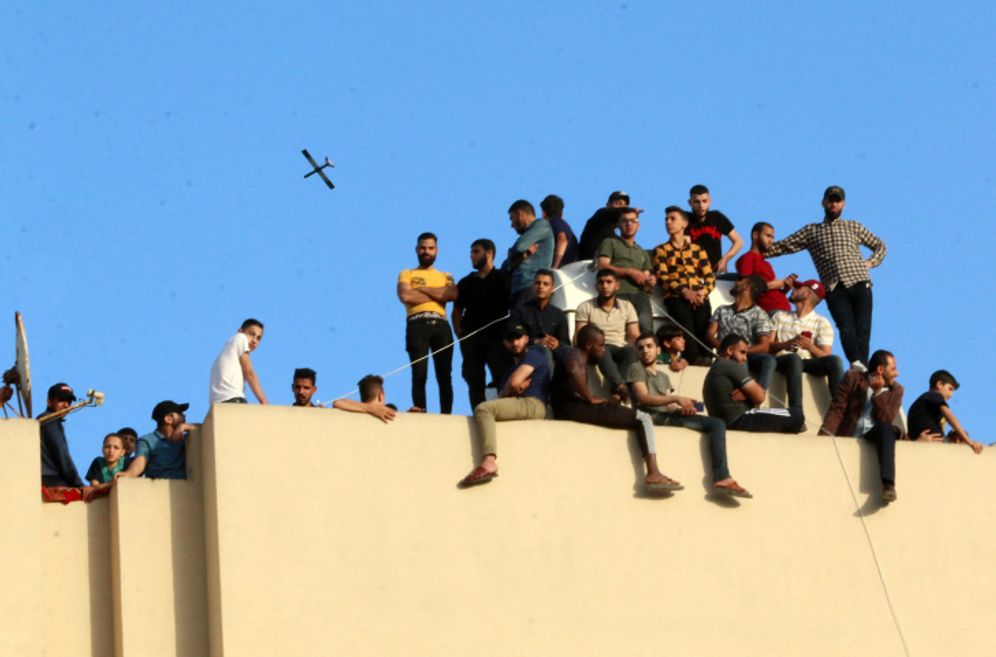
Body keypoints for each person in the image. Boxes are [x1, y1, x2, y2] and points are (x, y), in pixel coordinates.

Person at [765, 186, 887, 367]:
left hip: (859, 281)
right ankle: (856, 362)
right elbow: (784, 245)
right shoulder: (812, 231)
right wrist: (759, 252)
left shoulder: (852, 226)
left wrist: (870, 262)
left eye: (837, 200)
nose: (834, 203)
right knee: (846, 328)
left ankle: (861, 367)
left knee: (863, 330)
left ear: (843, 204)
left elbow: (880, 245)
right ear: (824, 202)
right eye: (831, 199)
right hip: (834, 287)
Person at [551, 325, 682, 492]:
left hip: (574, 407)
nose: (604, 350)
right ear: (588, 345)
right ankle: (653, 473)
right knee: (643, 418)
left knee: (633, 415)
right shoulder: (573, 353)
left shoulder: (579, 355)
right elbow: (573, 369)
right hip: (571, 408)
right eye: (600, 345)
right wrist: (589, 398)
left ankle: (654, 473)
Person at [627, 333, 751, 497]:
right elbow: (643, 398)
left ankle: (722, 477)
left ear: (658, 350)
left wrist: (687, 407)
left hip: (668, 416)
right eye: (641, 348)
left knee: (717, 423)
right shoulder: (635, 368)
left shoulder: (663, 376)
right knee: (714, 422)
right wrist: (677, 398)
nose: (645, 351)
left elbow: (670, 406)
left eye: (649, 346)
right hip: (650, 418)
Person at [459, 322, 551, 486]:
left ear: (526, 339)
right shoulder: (509, 369)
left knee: (483, 409)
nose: (515, 343)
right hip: (520, 403)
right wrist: (512, 388)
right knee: (486, 409)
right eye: (510, 339)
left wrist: (514, 386)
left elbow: (514, 382)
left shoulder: (534, 355)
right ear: (504, 343)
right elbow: (509, 389)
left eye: (518, 338)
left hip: (533, 403)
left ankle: (489, 461)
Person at [818, 350, 904, 502]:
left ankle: (888, 485)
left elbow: (887, 418)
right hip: (850, 435)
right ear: (880, 369)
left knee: (886, 428)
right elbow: (837, 409)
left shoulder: (896, 390)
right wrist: (823, 438)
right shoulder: (853, 378)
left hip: (874, 435)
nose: (896, 373)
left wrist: (877, 393)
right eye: (893, 369)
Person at [397, 232, 458, 413]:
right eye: (423, 248)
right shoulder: (407, 273)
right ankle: (421, 413)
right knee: (419, 374)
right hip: (417, 324)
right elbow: (406, 295)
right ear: (416, 249)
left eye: (430, 248)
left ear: (437, 250)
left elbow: (452, 295)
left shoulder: (446, 275)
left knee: (444, 375)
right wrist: (437, 294)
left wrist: (422, 289)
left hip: (441, 325)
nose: (426, 251)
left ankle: (447, 415)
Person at [704, 334, 805, 434]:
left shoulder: (716, 367)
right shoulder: (730, 365)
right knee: (797, 415)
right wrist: (750, 393)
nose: (745, 358)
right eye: (742, 352)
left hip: (729, 421)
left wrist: (746, 393)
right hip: (740, 419)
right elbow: (760, 397)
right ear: (730, 350)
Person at [452, 238, 511, 409]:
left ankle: (504, 411)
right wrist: (461, 335)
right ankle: (478, 413)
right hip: (472, 338)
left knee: (502, 375)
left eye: (476, 251)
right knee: (474, 378)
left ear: (489, 253)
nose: (472, 255)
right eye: (471, 252)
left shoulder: (503, 277)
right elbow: (456, 312)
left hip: (498, 337)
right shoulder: (466, 282)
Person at [653, 206, 715, 365]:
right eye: (666, 219)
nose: (668, 222)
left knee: (703, 323)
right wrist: (684, 290)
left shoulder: (698, 249)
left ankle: (707, 358)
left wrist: (702, 292)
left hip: (698, 295)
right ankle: (694, 359)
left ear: (684, 223)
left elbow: (709, 276)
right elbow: (662, 276)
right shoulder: (661, 250)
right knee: (685, 325)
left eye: (672, 219)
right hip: (675, 296)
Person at [769, 280, 844, 410]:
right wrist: (787, 344)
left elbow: (826, 355)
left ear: (808, 294)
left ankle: (841, 411)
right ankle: (796, 410)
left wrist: (810, 346)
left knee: (835, 361)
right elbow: (768, 346)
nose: (794, 289)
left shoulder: (821, 322)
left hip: (807, 362)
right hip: (783, 360)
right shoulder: (779, 316)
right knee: (794, 359)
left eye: (798, 288)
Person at [573, 269, 640, 400]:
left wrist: (644, 351)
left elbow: (634, 335)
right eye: (601, 282)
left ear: (617, 285)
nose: (605, 286)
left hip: (619, 347)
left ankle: (615, 392)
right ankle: (620, 386)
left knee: (631, 352)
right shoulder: (585, 306)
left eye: (609, 282)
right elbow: (580, 335)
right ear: (596, 286)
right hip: (595, 349)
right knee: (603, 350)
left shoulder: (627, 306)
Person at [706, 275, 776, 391]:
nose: (736, 282)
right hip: (724, 357)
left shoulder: (759, 314)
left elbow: (764, 345)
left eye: (740, 280)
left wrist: (741, 352)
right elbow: (709, 334)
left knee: (767, 360)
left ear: (746, 287)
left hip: (746, 358)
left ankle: (758, 393)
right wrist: (723, 348)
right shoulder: (722, 309)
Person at [595, 206, 656, 333]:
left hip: (640, 297)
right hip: (617, 294)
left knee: (646, 330)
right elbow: (602, 266)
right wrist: (630, 272)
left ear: (638, 225)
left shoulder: (643, 252)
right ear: (618, 225)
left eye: (633, 221)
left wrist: (650, 281)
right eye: (624, 221)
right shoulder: (610, 243)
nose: (629, 224)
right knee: (617, 331)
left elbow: (646, 283)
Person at [510, 269, 571, 375]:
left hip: (555, 356)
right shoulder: (520, 310)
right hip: (528, 356)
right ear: (532, 286)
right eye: (537, 283)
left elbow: (565, 342)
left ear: (552, 289)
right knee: (544, 351)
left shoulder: (558, 314)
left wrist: (556, 343)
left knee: (571, 353)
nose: (541, 286)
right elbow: (514, 339)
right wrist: (537, 342)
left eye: (545, 284)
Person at [117, 400, 199, 480]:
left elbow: (208, 427)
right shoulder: (147, 441)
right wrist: (128, 474)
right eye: (180, 414)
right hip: (159, 489)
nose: (184, 416)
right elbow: (140, 462)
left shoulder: (185, 438)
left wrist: (185, 426)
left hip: (185, 489)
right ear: (168, 419)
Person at [907, 370, 984, 454]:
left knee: (959, 436)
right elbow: (950, 417)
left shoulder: (926, 400)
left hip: (928, 443)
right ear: (939, 384)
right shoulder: (933, 395)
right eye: (950, 389)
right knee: (963, 438)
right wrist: (970, 442)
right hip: (930, 444)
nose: (951, 395)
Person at [501, 199, 554, 308]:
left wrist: (516, 254)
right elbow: (505, 266)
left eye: (512, 218)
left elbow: (520, 247)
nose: (512, 225)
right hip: (518, 290)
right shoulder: (526, 236)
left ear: (520, 213)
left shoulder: (541, 225)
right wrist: (521, 255)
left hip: (530, 287)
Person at [735, 222, 795, 314]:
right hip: (770, 313)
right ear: (755, 235)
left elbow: (771, 293)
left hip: (785, 312)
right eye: (768, 236)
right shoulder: (747, 258)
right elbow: (743, 287)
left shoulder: (766, 263)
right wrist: (773, 285)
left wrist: (785, 287)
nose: (771, 240)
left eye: (772, 237)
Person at [208, 318, 268, 405]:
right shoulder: (240, 337)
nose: (254, 340)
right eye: (251, 334)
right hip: (233, 400)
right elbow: (249, 372)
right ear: (240, 331)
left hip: (220, 405)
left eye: (258, 338)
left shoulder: (227, 352)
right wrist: (264, 401)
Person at [687, 184, 743, 273]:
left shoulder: (717, 217)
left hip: (716, 272)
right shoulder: (684, 220)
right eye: (697, 202)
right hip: (694, 273)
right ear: (690, 203)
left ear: (710, 201)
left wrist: (725, 259)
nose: (701, 205)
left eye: (704, 201)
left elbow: (738, 241)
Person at [39, 383, 84, 488]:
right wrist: (78, 484)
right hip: (50, 478)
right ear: (49, 402)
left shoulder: (53, 421)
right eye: (61, 400)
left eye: (69, 401)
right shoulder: (48, 420)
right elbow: (61, 453)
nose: (66, 405)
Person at [578, 190, 631, 260]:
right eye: (618, 203)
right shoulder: (600, 216)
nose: (622, 208)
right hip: (586, 266)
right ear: (608, 205)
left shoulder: (616, 239)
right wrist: (629, 211)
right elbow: (608, 213)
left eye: (625, 206)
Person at [332, 375, 398, 423]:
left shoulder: (353, 412)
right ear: (380, 395)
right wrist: (373, 409)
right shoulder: (390, 416)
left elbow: (338, 403)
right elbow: (337, 403)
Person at [540, 194, 579, 268]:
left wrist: (554, 267)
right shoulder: (564, 225)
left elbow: (563, 240)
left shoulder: (554, 222)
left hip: (565, 269)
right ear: (561, 212)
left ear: (544, 213)